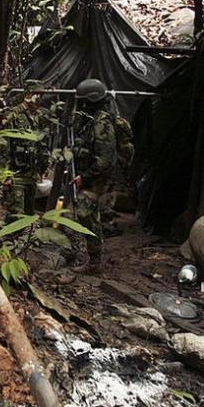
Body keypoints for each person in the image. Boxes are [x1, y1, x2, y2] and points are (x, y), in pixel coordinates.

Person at [69, 79, 119, 273]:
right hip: (89, 177)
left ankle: (94, 261)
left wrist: (85, 177)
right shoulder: (91, 120)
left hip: (95, 180)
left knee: (85, 214)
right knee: (87, 215)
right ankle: (91, 257)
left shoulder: (102, 123)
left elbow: (105, 160)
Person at [0, 91, 53, 220]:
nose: (39, 99)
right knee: (16, 214)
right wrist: (5, 174)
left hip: (32, 173)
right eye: (37, 95)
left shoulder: (39, 116)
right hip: (16, 173)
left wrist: (44, 166)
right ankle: (12, 238)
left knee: (29, 214)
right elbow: (2, 145)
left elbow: (42, 144)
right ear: (28, 95)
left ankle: (23, 239)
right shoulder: (14, 115)